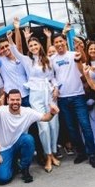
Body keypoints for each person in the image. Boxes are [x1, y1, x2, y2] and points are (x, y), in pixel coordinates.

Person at [9, 27, 61, 171]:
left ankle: (53, 153)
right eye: (31, 45)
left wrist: (56, 88)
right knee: (43, 127)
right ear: (29, 47)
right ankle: (48, 155)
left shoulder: (48, 60)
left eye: (35, 44)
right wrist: (10, 38)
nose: (33, 47)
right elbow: (14, 51)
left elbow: (52, 78)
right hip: (35, 95)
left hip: (49, 93)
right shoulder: (26, 60)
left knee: (53, 125)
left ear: (40, 46)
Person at [51, 33, 95, 168]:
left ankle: (92, 155)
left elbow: (83, 60)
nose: (59, 44)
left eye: (61, 41)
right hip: (62, 98)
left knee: (85, 126)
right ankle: (81, 153)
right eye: (56, 42)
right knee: (72, 128)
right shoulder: (52, 59)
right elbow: (52, 77)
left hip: (78, 96)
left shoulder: (74, 54)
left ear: (65, 42)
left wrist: (81, 50)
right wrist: (55, 87)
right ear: (54, 44)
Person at [0, 89, 59, 184]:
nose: (15, 102)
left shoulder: (28, 112)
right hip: (5, 148)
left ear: (21, 100)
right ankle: (14, 164)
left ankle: (24, 169)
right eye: (12, 100)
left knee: (28, 139)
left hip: (19, 143)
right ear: (7, 100)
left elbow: (45, 118)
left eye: (17, 100)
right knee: (3, 179)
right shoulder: (1, 110)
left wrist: (52, 113)